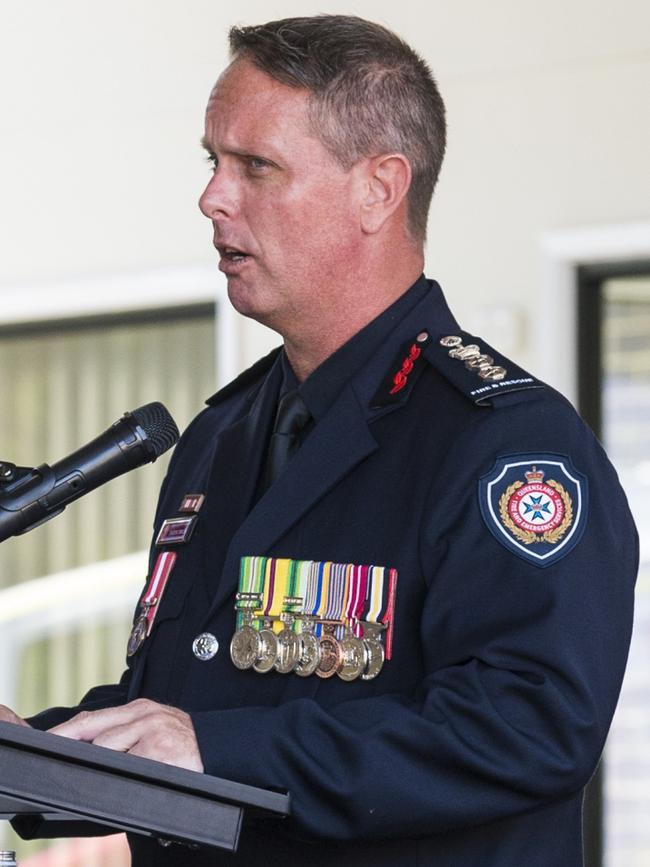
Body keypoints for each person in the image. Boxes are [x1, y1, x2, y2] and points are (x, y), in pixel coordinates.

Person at [0, 14, 638, 867]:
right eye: (212, 162)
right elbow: (188, 707)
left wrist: (220, 752)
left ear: (379, 189)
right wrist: (31, 753)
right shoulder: (222, 433)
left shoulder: (506, 442)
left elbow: (528, 723)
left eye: (255, 166)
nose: (212, 197)